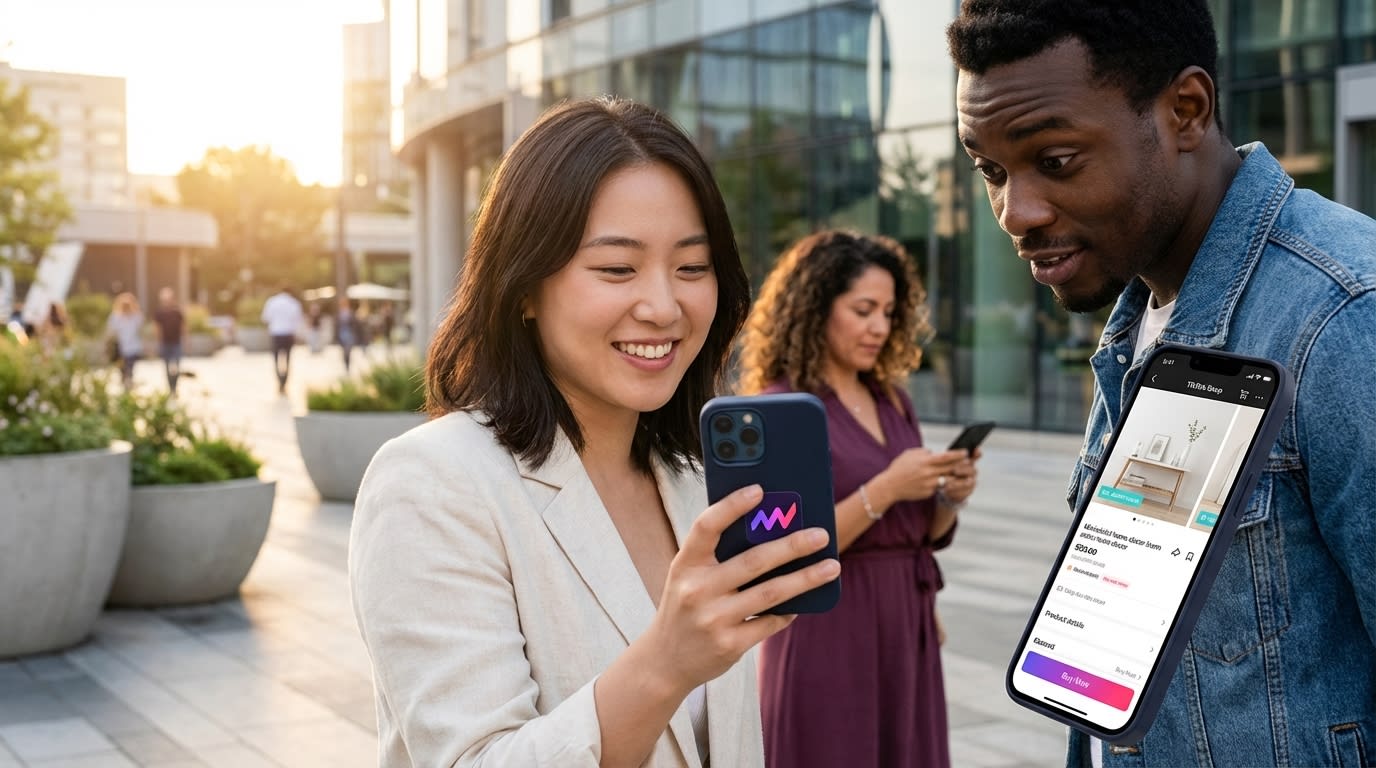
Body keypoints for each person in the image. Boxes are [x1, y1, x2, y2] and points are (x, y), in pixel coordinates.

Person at [348, 96, 839, 767]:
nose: (664, 306)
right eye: (616, 269)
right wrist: (665, 664)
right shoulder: (432, 483)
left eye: (692, 268)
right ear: (523, 287)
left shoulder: (697, 477)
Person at [947, 2, 1376, 765]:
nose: (1015, 213)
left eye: (1057, 160)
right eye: (990, 170)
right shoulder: (1137, 320)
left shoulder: (1343, 317)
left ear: (1185, 110)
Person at [737, 230, 979, 768]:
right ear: (817, 307)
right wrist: (888, 487)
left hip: (904, 618)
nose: (879, 327)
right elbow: (782, 551)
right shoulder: (781, 411)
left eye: (889, 312)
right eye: (864, 309)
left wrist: (946, 496)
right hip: (827, 627)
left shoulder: (891, 399)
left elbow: (925, 534)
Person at [260, 283, 304, 394]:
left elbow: (265, 318)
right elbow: (298, 321)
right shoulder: (294, 303)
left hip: (276, 334)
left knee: (276, 360)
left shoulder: (272, 302)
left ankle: (279, 380)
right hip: (289, 334)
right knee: (288, 360)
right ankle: (284, 382)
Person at [105, 292, 144, 389]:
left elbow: (140, 325)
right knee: (122, 370)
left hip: (133, 348)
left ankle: (129, 385)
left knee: (130, 370)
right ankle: (125, 386)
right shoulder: (115, 317)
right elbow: (110, 332)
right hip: (120, 348)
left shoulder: (135, 316)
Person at [153, 287, 185, 394]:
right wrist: (158, 343)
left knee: (176, 366)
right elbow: (158, 330)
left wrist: (186, 341)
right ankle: (171, 388)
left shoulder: (177, 312)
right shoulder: (159, 313)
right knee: (166, 367)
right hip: (165, 344)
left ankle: (175, 386)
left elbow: (183, 327)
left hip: (176, 343)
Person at [335, 297, 358, 373]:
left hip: (349, 334)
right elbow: (336, 326)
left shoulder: (350, 313)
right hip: (342, 334)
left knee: (348, 350)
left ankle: (348, 365)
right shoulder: (339, 314)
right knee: (344, 351)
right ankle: (346, 364)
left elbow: (354, 324)